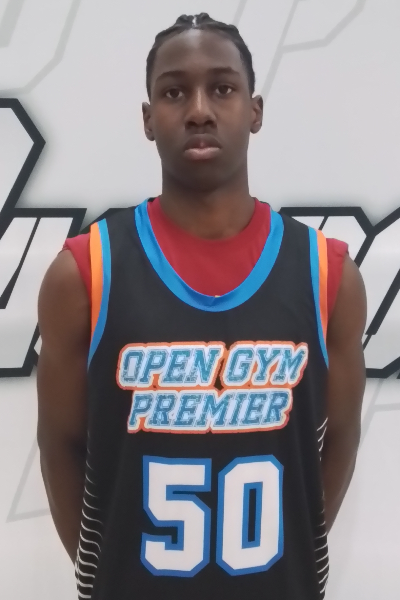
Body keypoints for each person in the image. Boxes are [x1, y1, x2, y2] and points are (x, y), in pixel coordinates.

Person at [37, 13, 366, 600]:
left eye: (222, 88)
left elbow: (338, 436)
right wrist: (101, 574)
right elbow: (60, 444)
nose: (198, 111)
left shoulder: (328, 275)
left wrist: (298, 547)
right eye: (173, 92)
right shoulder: (84, 273)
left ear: (255, 110)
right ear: (147, 119)